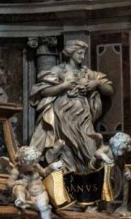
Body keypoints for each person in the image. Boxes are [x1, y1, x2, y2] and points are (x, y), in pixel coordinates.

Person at [29, 40, 113, 174]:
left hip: (83, 115)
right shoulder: (58, 71)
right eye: (79, 53)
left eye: (83, 53)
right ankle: (68, 181)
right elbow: (43, 91)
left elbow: (109, 90)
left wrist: (96, 83)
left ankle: (88, 179)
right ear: (70, 53)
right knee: (66, 147)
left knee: (88, 145)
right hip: (62, 114)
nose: (82, 56)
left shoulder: (88, 73)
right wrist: (63, 86)